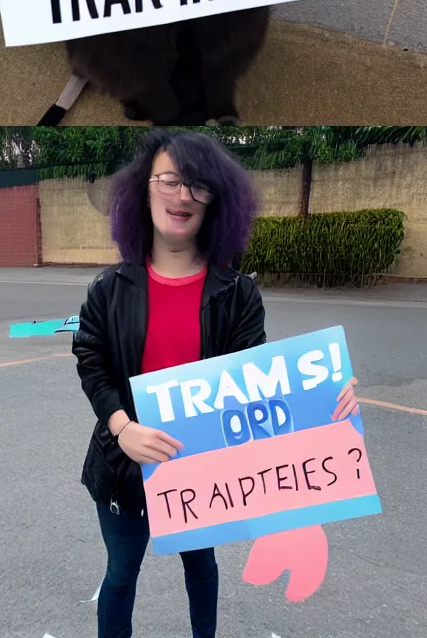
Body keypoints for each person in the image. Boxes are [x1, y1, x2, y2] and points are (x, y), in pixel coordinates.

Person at [72, 130, 358, 638]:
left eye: (199, 185)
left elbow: (260, 384)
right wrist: (121, 426)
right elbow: (90, 358)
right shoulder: (108, 289)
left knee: (200, 568)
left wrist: (325, 398)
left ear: (216, 202)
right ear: (144, 189)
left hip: (202, 474)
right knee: (121, 574)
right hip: (122, 467)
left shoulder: (238, 293)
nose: (184, 195)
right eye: (170, 180)